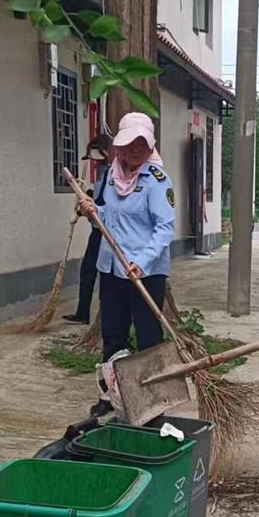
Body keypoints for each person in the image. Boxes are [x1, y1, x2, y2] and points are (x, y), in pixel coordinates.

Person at [75, 112, 175, 417]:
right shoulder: (108, 176)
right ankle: (112, 396)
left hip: (144, 272)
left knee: (148, 338)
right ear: (119, 145)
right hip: (112, 269)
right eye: (130, 142)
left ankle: (152, 401)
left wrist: (141, 263)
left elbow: (165, 227)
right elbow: (109, 218)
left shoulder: (157, 180)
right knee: (113, 335)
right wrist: (93, 211)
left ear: (150, 147)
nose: (135, 149)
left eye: (142, 144)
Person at [63, 133, 113, 324]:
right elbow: (97, 197)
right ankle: (82, 312)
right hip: (96, 230)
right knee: (87, 271)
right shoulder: (101, 171)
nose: (94, 162)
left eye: (96, 158)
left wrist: (86, 206)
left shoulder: (111, 173)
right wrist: (84, 193)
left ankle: (102, 313)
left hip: (106, 232)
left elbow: (105, 203)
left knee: (101, 273)